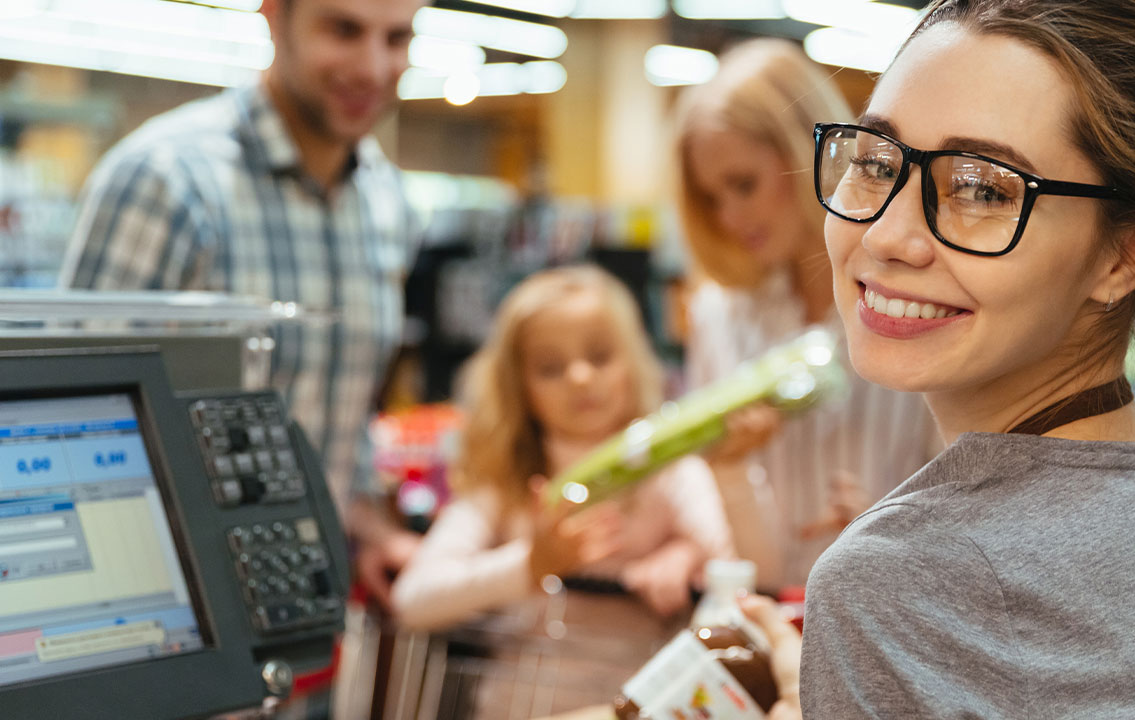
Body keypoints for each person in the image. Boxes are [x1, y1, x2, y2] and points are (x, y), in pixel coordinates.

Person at [799, 0, 1135, 716]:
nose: (890, 235)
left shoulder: (893, 579)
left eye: (982, 188)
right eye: (875, 161)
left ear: (1128, 253)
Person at [58, 0, 425, 608]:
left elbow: (340, 416)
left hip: (310, 609)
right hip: (174, 623)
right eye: (344, 29)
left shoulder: (388, 204)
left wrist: (370, 526)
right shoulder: (167, 181)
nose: (373, 67)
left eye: (397, 37)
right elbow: (70, 414)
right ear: (274, 16)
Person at [672, 38, 939, 591]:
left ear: (805, 153)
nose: (729, 216)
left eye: (744, 184)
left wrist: (889, 537)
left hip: (895, 612)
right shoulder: (719, 316)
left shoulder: (916, 296)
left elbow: (961, 501)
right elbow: (715, 509)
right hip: (768, 614)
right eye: (711, 197)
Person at [389, 265, 734, 630]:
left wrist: (689, 554)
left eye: (600, 356)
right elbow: (411, 600)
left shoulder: (673, 469)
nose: (580, 378)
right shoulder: (506, 477)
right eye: (550, 367)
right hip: (522, 683)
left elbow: (740, 571)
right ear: (518, 387)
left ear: (632, 361)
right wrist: (531, 564)